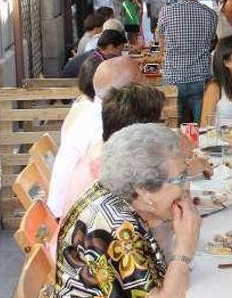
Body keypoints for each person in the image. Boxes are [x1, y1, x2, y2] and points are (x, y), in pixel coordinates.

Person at [55, 124, 199, 298]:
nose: (185, 188)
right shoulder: (117, 225)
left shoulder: (113, 193)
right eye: (180, 179)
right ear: (144, 189)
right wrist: (185, 248)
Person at [48, 56, 143, 217]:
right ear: (129, 91)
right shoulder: (103, 126)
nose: (148, 85)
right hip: (77, 223)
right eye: (142, 79)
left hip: (74, 211)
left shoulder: (91, 112)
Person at [60, 83, 167, 216]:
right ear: (141, 130)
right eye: (162, 122)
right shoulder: (109, 175)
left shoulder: (109, 150)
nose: (167, 130)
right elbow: (151, 214)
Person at [156, 0, 218, 123]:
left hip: (173, 78)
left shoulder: (167, 12)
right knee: (202, 127)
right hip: (200, 77)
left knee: (174, 128)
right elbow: (210, 41)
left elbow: (159, 37)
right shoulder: (211, 14)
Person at [61, 30, 127, 78]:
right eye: (120, 50)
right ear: (110, 47)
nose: (120, 54)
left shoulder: (94, 55)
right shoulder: (95, 62)